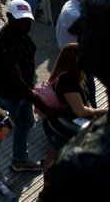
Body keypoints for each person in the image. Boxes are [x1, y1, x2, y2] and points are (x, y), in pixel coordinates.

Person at [0, 0, 43, 179]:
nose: (25, 23)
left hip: (22, 93)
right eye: (21, 19)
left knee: (26, 123)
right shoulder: (4, 41)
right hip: (4, 95)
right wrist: (39, 102)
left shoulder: (23, 32)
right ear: (9, 16)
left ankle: (19, 159)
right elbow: (16, 79)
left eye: (28, 19)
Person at [39, 42, 106, 174]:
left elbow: (86, 103)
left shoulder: (70, 75)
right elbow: (79, 110)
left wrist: (93, 113)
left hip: (59, 123)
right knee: (61, 160)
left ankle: (47, 184)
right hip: (64, 127)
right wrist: (102, 112)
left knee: (53, 155)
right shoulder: (69, 80)